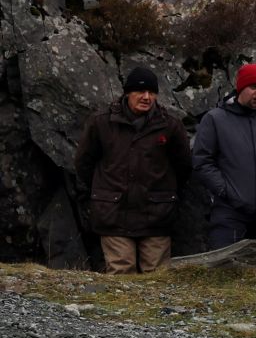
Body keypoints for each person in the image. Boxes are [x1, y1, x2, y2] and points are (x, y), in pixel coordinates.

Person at [74, 65, 191, 273]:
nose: (147, 97)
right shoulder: (101, 122)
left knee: (157, 278)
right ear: (127, 92)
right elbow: (84, 163)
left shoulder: (170, 125)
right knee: (121, 274)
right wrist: (104, 193)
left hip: (157, 215)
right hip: (114, 214)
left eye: (152, 92)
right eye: (140, 91)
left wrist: (165, 195)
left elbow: (183, 166)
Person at [191, 61, 256, 251]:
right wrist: (225, 191)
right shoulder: (215, 119)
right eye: (254, 86)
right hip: (230, 212)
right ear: (240, 87)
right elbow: (202, 161)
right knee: (225, 270)